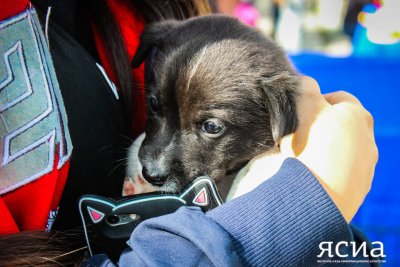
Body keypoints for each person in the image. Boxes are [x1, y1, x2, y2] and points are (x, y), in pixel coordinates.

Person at [0, 1, 378, 266]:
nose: (155, 161)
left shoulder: (142, 12)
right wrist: (302, 206)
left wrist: (329, 235)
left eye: (210, 126)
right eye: (154, 108)